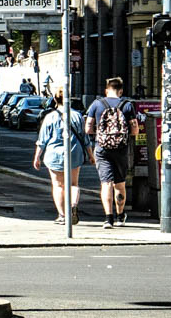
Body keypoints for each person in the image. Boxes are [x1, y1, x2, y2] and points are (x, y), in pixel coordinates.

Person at [85, 77, 139, 228]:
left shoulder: (97, 104)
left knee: (106, 183)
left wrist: (100, 133)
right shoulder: (127, 105)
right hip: (121, 149)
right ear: (121, 91)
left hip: (102, 148)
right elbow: (135, 129)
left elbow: (88, 128)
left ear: (106, 90)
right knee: (120, 183)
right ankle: (120, 216)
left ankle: (108, 218)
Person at [33, 88, 91, 224]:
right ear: (69, 98)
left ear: (55, 99)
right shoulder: (77, 116)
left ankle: (63, 215)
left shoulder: (50, 117)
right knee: (74, 183)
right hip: (74, 152)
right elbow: (85, 138)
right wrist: (90, 154)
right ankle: (73, 205)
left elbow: (42, 140)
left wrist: (37, 157)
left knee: (58, 185)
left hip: (54, 154)